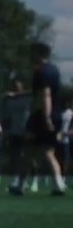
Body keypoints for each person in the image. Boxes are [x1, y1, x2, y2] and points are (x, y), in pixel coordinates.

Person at [12, 43, 65, 197]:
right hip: (56, 114)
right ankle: (58, 184)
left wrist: (45, 117)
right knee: (48, 152)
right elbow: (44, 91)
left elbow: (45, 95)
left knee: (28, 150)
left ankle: (20, 185)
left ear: (38, 54)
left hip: (40, 115)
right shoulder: (54, 70)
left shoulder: (40, 72)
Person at [60, 97, 72, 175]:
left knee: (65, 160)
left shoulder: (71, 113)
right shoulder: (58, 112)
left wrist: (66, 133)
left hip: (66, 141)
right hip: (56, 140)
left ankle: (64, 178)